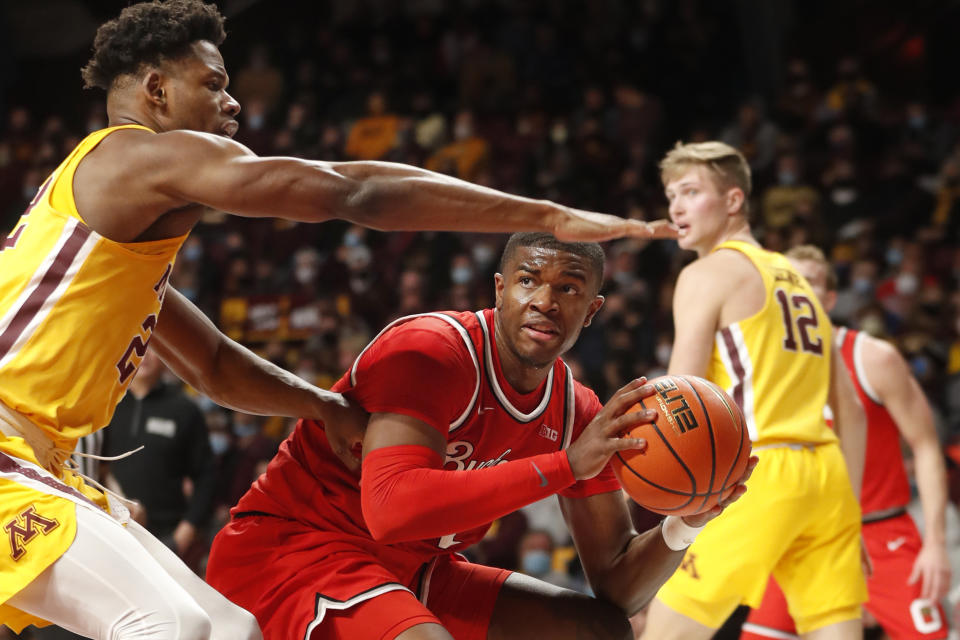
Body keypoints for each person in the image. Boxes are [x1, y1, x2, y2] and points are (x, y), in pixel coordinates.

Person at [0, 1, 675, 638]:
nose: (233, 101)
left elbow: (213, 365)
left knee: (230, 630)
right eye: (213, 83)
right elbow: (350, 191)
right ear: (156, 90)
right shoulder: (134, 154)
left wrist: (323, 406)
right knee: (173, 628)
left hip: (39, 455)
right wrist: (546, 217)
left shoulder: (118, 244)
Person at [206, 232, 757, 640]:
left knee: (600, 631)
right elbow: (391, 510)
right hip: (299, 549)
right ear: (499, 288)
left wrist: (686, 521)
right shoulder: (429, 352)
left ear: (591, 311)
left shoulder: (577, 411)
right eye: (528, 280)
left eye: (567, 288)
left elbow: (617, 585)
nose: (545, 300)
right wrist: (565, 466)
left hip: (415, 569)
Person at [640, 141, 868, 640]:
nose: (676, 206)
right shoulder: (801, 281)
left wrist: (670, 512)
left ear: (733, 201)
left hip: (757, 474)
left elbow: (682, 400)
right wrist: (848, 507)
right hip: (826, 477)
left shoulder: (707, 274)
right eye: (671, 194)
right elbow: (850, 410)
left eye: (692, 191)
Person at [741, 245, 951, 640]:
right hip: (797, 539)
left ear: (831, 298)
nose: (799, 293)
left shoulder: (873, 358)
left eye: (811, 284)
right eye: (788, 284)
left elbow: (925, 446)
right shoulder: (760, 366)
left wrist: (935, 543)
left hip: (880, 532)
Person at [105, 349, 217, 572]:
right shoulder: (106, 405)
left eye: (153, 350)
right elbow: (97, 468)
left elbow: (207, 474)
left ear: (166, 357)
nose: (144, 355)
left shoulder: (184, 409)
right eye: (139, 348)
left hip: (166, 537)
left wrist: (186, 531)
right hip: (111, 532)